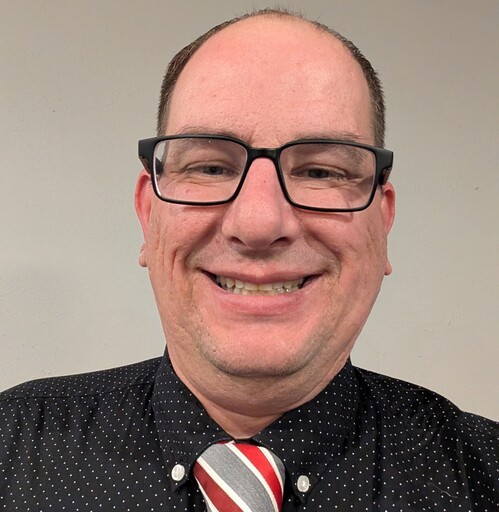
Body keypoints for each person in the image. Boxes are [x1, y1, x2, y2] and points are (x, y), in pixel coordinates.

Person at [1, 8, 497, 511]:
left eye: (321, 173)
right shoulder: (10, 450)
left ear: (382, 221)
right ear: (148, 214)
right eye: (210, 168)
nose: (258, 222)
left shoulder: (485, 479)